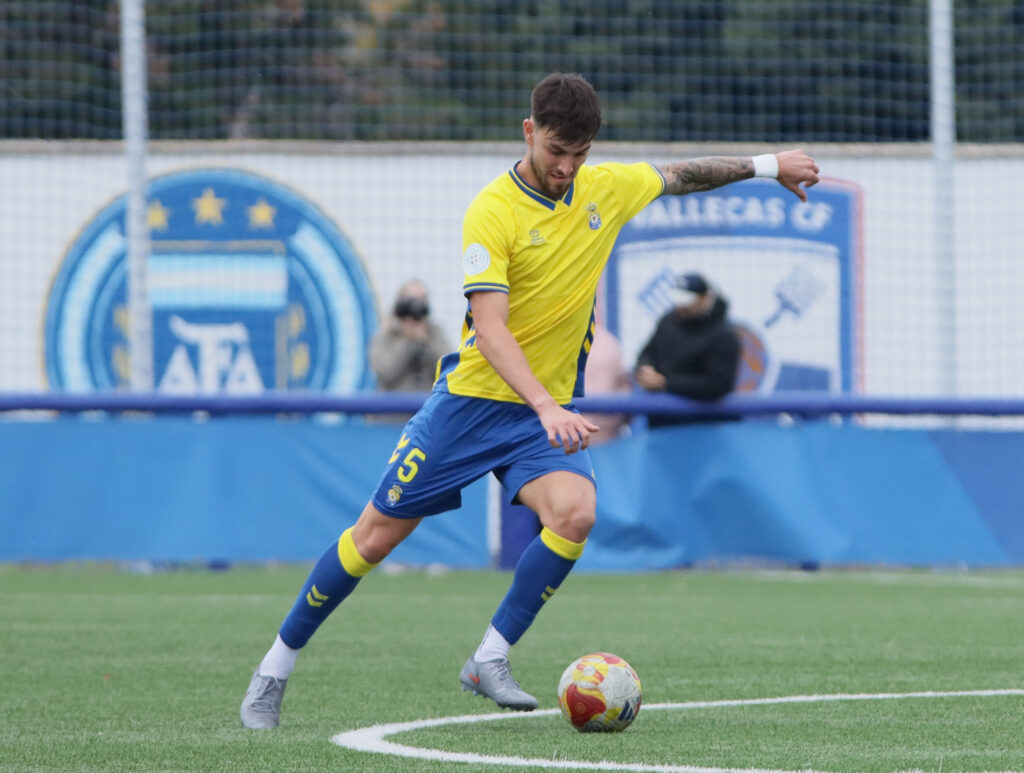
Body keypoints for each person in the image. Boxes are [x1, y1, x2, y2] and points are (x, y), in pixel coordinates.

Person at [240, 71, 820, 728]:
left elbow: (683, 174)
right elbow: (490, 330)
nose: (567, 167)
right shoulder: (492, 210)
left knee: (575, 513)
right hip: (469, 406)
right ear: (528, 132)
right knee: (372, 539)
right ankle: (273, 669)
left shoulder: (605, 189)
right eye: (556, 150)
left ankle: (489, 657)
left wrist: (769, 165)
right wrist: (546, 405)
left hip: (541, 413)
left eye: (580, 153)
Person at [634, 272, 742, 427]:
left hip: (705, 425)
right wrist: (645, 369)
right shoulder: (668, 320)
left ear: (705, 298)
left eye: (688, 301)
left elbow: (717, 385)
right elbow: (648, 352)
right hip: (663, 421)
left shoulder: (724, 335)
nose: (682, 306)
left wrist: (666, 383)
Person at [369, 279, 451, 421]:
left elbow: (448, 369)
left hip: (426, 417)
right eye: (411, 300)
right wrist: (407, 341)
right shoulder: (386, 334)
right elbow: (385, 371)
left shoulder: (434, 333)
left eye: (421, 300)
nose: (415, 306)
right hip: (391, 418)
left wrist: (426, 341)